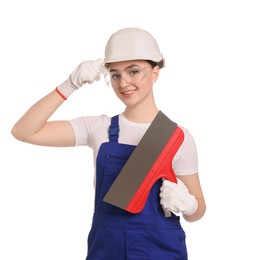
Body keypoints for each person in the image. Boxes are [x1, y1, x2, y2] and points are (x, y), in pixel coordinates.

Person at [11, 27, 206, 259]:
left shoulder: (177, 137)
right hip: (106, 248)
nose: (124, 83)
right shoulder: (97, 128)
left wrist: (189, 205)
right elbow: (23, 131)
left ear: (155, 72)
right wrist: (69, 85)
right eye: (115, 74)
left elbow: (198, 210)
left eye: (134, 71)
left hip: (161, 248)